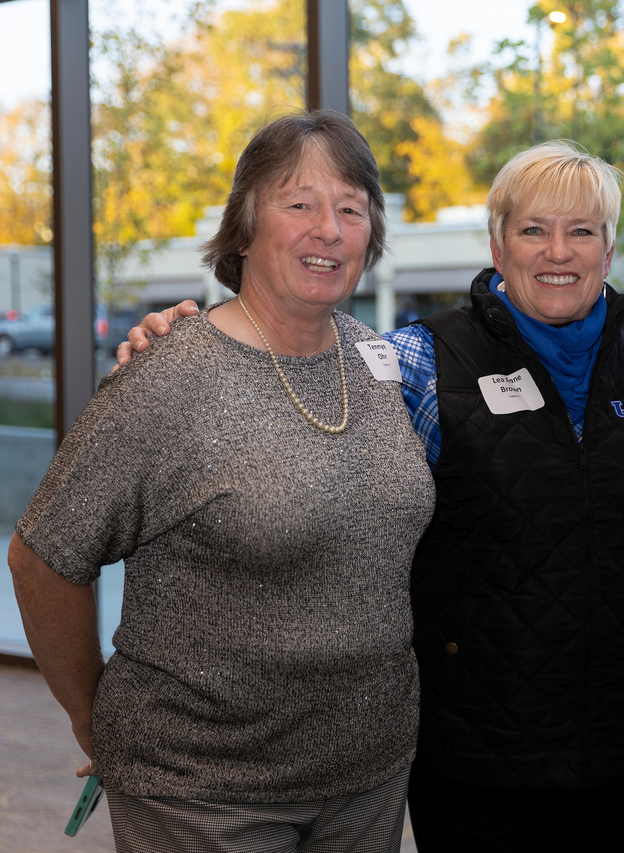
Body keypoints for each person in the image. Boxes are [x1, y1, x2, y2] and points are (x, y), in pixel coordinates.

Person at [117, 140, 624, 852]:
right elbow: (289, 386)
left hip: (622, 755)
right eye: (533, 229)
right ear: (500, 247)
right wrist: (178, 343)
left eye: (582, 230)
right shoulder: (415, 361)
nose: (557, 251)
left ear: (608, 247)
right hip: (477, 759)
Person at [9, 110, 435, 852]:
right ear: (243, 228)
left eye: (350, 209)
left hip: (367, 775)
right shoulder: (170, 373)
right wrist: (92, 715)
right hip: (204, 792)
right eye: (299, 204)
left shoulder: (381, 362)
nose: (328, 230)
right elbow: (43, 555)